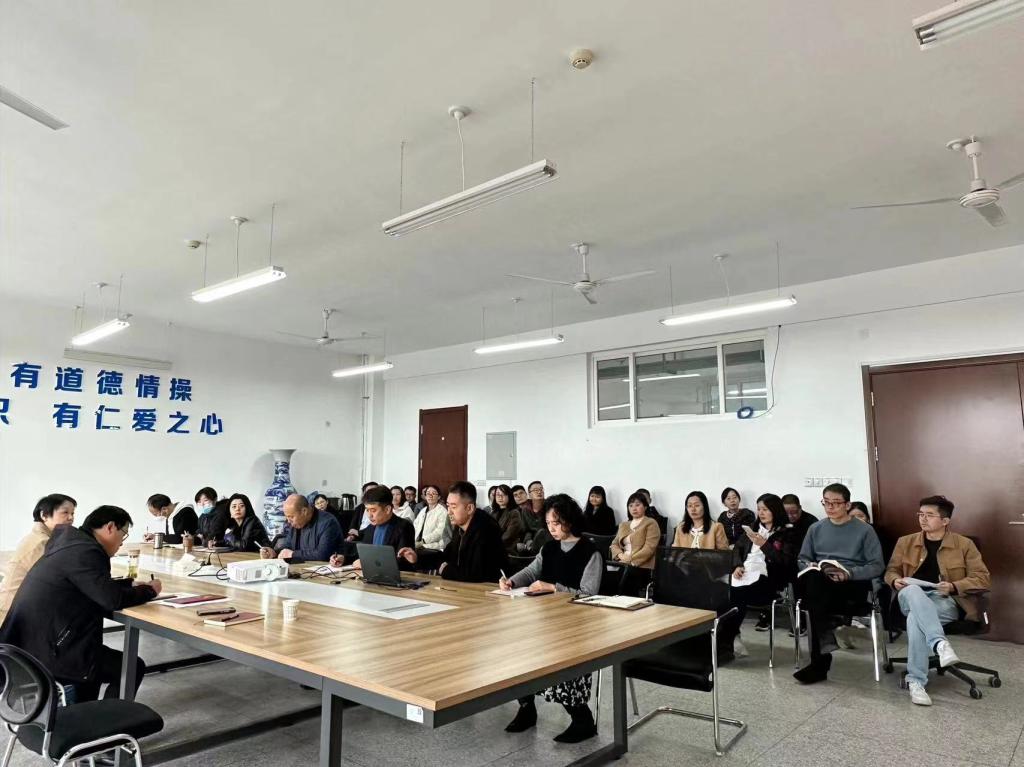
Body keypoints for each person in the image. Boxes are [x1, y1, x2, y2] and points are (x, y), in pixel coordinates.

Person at [0, 505, 161, 701]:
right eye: (124, 534)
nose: (121, 542)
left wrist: (130, 584)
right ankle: (111, 717)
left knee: (98, 665)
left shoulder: (71, 544)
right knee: (131, 667)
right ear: (110, 527)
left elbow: (92, 584)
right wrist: (150, 590)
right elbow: (112, 599)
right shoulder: (86, 551)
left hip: (30, 647)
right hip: (51, 654)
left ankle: (91, 714)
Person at [500, 494, 599, 743]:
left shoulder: (590, 552)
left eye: (557, 523)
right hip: (545, 619)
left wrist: (554, 588)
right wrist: (511, 581)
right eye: (548, 523)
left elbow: (589, 593)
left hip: (576, 624)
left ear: (569, 521)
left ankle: (582, 719)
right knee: (518, 653)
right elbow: (532, 571)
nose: (552, 529)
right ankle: (526, 708)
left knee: (564, 663)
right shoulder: (549, 547)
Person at [884, 495, 990, 707]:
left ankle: (916, 681)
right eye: (920, 514)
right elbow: (891, 571)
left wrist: (953, 586)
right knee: (914, 590)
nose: (923, 519)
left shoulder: (964, 544)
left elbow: (982, 578)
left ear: (945, 520)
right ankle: (939, 644)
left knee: (915, 620)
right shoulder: (906, 542)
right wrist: (895, 580)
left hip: (944, 600)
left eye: (929, 515)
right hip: (908, 596)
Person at [794, 483, 884, 684]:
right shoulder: (815, 528)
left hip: (852, 584)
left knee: (814, 600)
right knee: (814, 580)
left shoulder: (864, 530)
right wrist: (810, 565)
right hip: (822, 583)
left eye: (836, 503)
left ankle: (820, 663)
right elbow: (802, 559)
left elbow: (877, 566)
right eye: (826, 502)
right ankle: (821, 655)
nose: (830, 507)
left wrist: (849, 573)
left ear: (847, 505)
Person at [729, 493, 798, 655]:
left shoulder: (787, 532)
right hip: (745, 573)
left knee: (737, 594)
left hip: (769, 579)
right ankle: (727, 636)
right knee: (722, 591)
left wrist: (764, 545)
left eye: (765, 509)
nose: (761, 513)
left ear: (775, 510)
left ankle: (730, 636)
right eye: (759, 509)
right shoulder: (752, 528)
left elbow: (785, 561)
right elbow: (737, 549)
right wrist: (737, 566)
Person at [404, 481, 509, 582]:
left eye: (453, 507)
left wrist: (446, 570)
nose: (449, 511)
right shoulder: (460, 526)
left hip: (490, 589)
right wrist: (417, 558)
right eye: (448, 506)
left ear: (469, 508)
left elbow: (476, 573)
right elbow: (446, 555)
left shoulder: (486, 529)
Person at [0, 494, 77, 625]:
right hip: (12, 615)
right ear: (44, 515)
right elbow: (57, 579)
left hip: (18, 609)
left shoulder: (39, 537)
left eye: (72, 513)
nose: (71, 518)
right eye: (65, 512)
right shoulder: (41, 543)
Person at [332, 485, 415, 569]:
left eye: (373, 510)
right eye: (367, 510)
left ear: (387, 509)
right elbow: (362, 555)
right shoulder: (371, 527)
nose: (369, 515)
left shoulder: (404, 527)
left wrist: (367, 563)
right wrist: (344, 559)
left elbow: (402, 562)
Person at [261, 494, 342, 563]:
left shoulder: (328, 522)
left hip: (325, 572)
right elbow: (288, 547)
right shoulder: (296, 523)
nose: (288, 521)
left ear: (304, 511)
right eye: (287, 517)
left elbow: (323, 554)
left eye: (291, 517)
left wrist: (293, 554)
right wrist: (274, 553)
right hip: (301, 569)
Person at [609, 492, 661, 596]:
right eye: (631, 505)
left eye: (637, 505)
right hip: (623, 563)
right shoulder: (624, 525)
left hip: (642, 566)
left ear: (645, 506)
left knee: (626, 579)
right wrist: (620, 555)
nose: (634, 508)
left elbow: (649, 548)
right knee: (608, 577)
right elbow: (614, 544)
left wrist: (631, 559)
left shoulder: (651, 523)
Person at [411, 485, 452, 570]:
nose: (430, 495)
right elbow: (415, 526)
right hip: (420, 546)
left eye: (433, 493)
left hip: (434, 547)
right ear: (425, 496)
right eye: (428, 493)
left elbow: (439, 532)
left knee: (418, 558)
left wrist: (422, 541)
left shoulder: (442, 511)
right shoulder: (423, 510)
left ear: (439, 497)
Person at [517, 480, 551, 554]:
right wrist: (528, 541)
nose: (539, 492)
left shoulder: (550, 507)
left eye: (541, 489)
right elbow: (526, 530)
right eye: (535, 490)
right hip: (531, 541)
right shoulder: (525, 509)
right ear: (529, 495)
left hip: (547, 539)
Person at [491, 484, 523, 554]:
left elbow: (508, 536)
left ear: (509, 496)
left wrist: (492, 544)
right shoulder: (493, 513)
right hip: (493, 547)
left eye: (504, 494)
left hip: (507, 550)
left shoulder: (514, 512)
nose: (500, 497)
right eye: (498, 494)